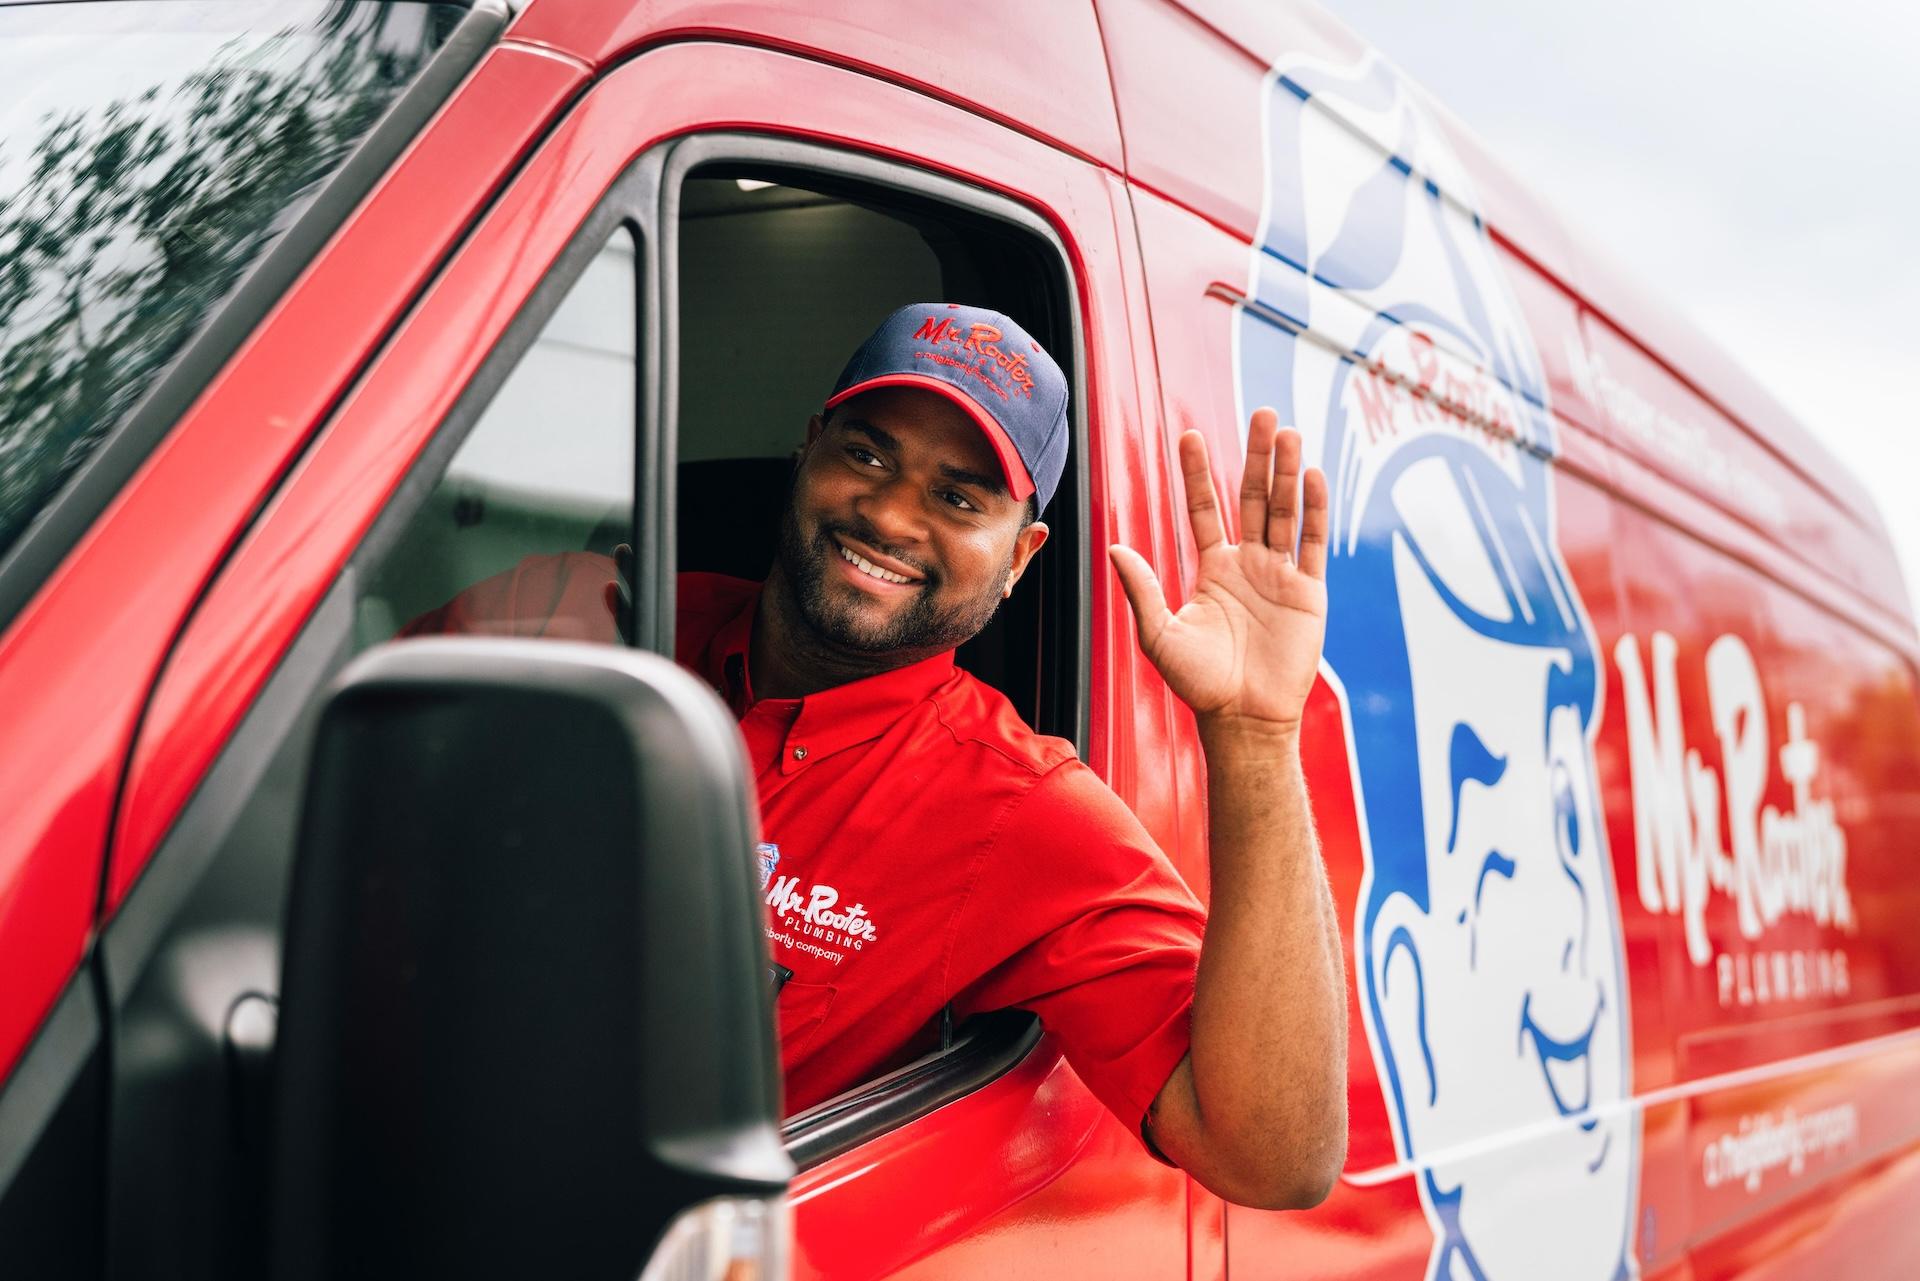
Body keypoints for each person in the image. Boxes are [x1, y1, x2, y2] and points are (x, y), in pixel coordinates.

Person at [406, 302, 1348, 1210]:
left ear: (1020, 557)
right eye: (866, 453)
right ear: (806, 448)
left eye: (957, 496)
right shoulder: (584, 610)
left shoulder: (1020, 812)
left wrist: (1256, 740)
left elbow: (1271, 1158)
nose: (891, 516)